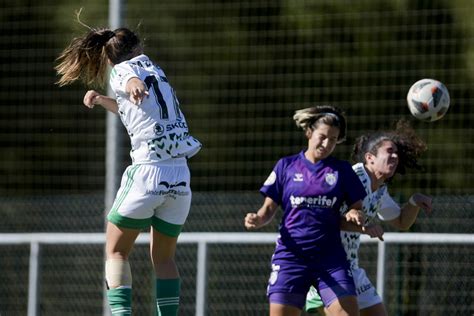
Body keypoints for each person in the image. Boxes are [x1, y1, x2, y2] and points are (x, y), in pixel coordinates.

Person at [55, 21, 201, 316]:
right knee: (163, 260)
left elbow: (131, 81)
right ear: (139, 47)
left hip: (148, 172)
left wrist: (132, 85)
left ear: (109, 57)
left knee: (116, 251)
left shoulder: (123, 70)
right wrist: (101, 99)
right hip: (180, 177)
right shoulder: (157, 70)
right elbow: (135, 108)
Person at [244, 105, 383, 316]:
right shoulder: (286, 166)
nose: (327, 143)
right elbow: (268, 209)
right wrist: (257, 218)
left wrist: (357, 216)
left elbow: (355, 210)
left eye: (333, 139)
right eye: (323, 136)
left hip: (331, 258)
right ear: (309, 132)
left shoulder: (342, 170)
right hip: (291, 257)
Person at [305, 120, 433, 316]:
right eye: (389, 151)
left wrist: (414, 202)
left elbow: (401, 222)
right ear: (370, 158)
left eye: (397, 153)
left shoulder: (380, 190)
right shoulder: (351, 177)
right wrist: (362, 226)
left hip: (350, 268)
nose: (395, 156)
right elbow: (323, 219)